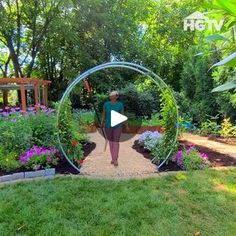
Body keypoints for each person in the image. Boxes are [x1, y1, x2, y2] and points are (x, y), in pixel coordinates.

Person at [101, 90, 128, 166]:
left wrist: (126, 125)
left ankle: (115, 159)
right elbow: (103, 114)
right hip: (108, 125)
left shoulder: (120, 105)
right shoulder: (106, 104)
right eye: (110, 95)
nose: (110, 96)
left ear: (116, 97)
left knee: (116, 142)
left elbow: (122, 115)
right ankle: (113, 157)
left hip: (118, 125)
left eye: (112, 95)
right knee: (111, 142)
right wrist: (101, 123)